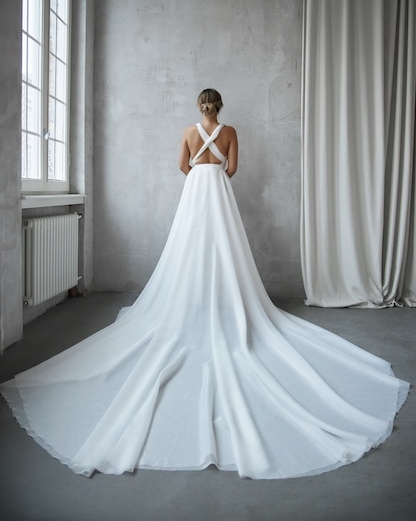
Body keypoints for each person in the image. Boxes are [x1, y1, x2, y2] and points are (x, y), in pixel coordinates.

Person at [0, 88, 409, 479]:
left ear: (200, 107)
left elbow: (182, 166)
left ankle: (192, 302)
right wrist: (216, 169)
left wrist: (199, 168)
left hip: (195, 189)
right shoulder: (229, 132)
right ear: (221, 106)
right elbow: (232, 169)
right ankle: (227, 301)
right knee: (225, 250)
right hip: (218, 191)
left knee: (188, 248)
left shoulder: (187, 131)